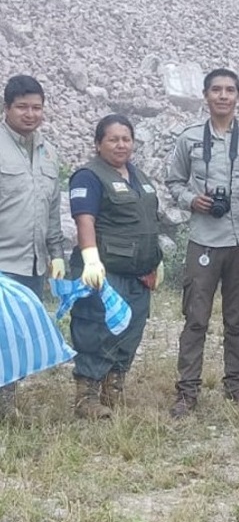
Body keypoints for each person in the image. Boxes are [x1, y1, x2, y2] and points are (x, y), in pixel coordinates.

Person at [166, 68, 239, 418]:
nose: (223, 96)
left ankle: (237, 386)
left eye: (229, 90)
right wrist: (192, 200)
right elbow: (174, 180)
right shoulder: (189, 138)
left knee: (237, 319)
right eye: (216, 90)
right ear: (205, 96)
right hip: (204, 239)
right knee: (195, 317)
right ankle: (186, 392)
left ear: (238, 95)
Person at [68, 114, 163, 418]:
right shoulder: (89, 176)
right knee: (98, 329)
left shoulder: (139, 177)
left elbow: (147, 223)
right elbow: (85, 219)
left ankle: (113, 390)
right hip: (106, 273)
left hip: (138, 275)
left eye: (126, 138)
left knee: (130, 331)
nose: (121, 144)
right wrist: (91, 260)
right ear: (98, 144)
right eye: (113, 139)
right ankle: (87, 398)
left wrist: (154, 262)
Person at [0, 75, 65, 416]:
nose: (30, 114)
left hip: (34, 264)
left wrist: (56, 255)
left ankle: (6, 404)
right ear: (6, 107)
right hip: (3, 263)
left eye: (36, 107)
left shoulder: (49, 152)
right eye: (22, 107)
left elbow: (53, 210)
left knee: (18, 338)